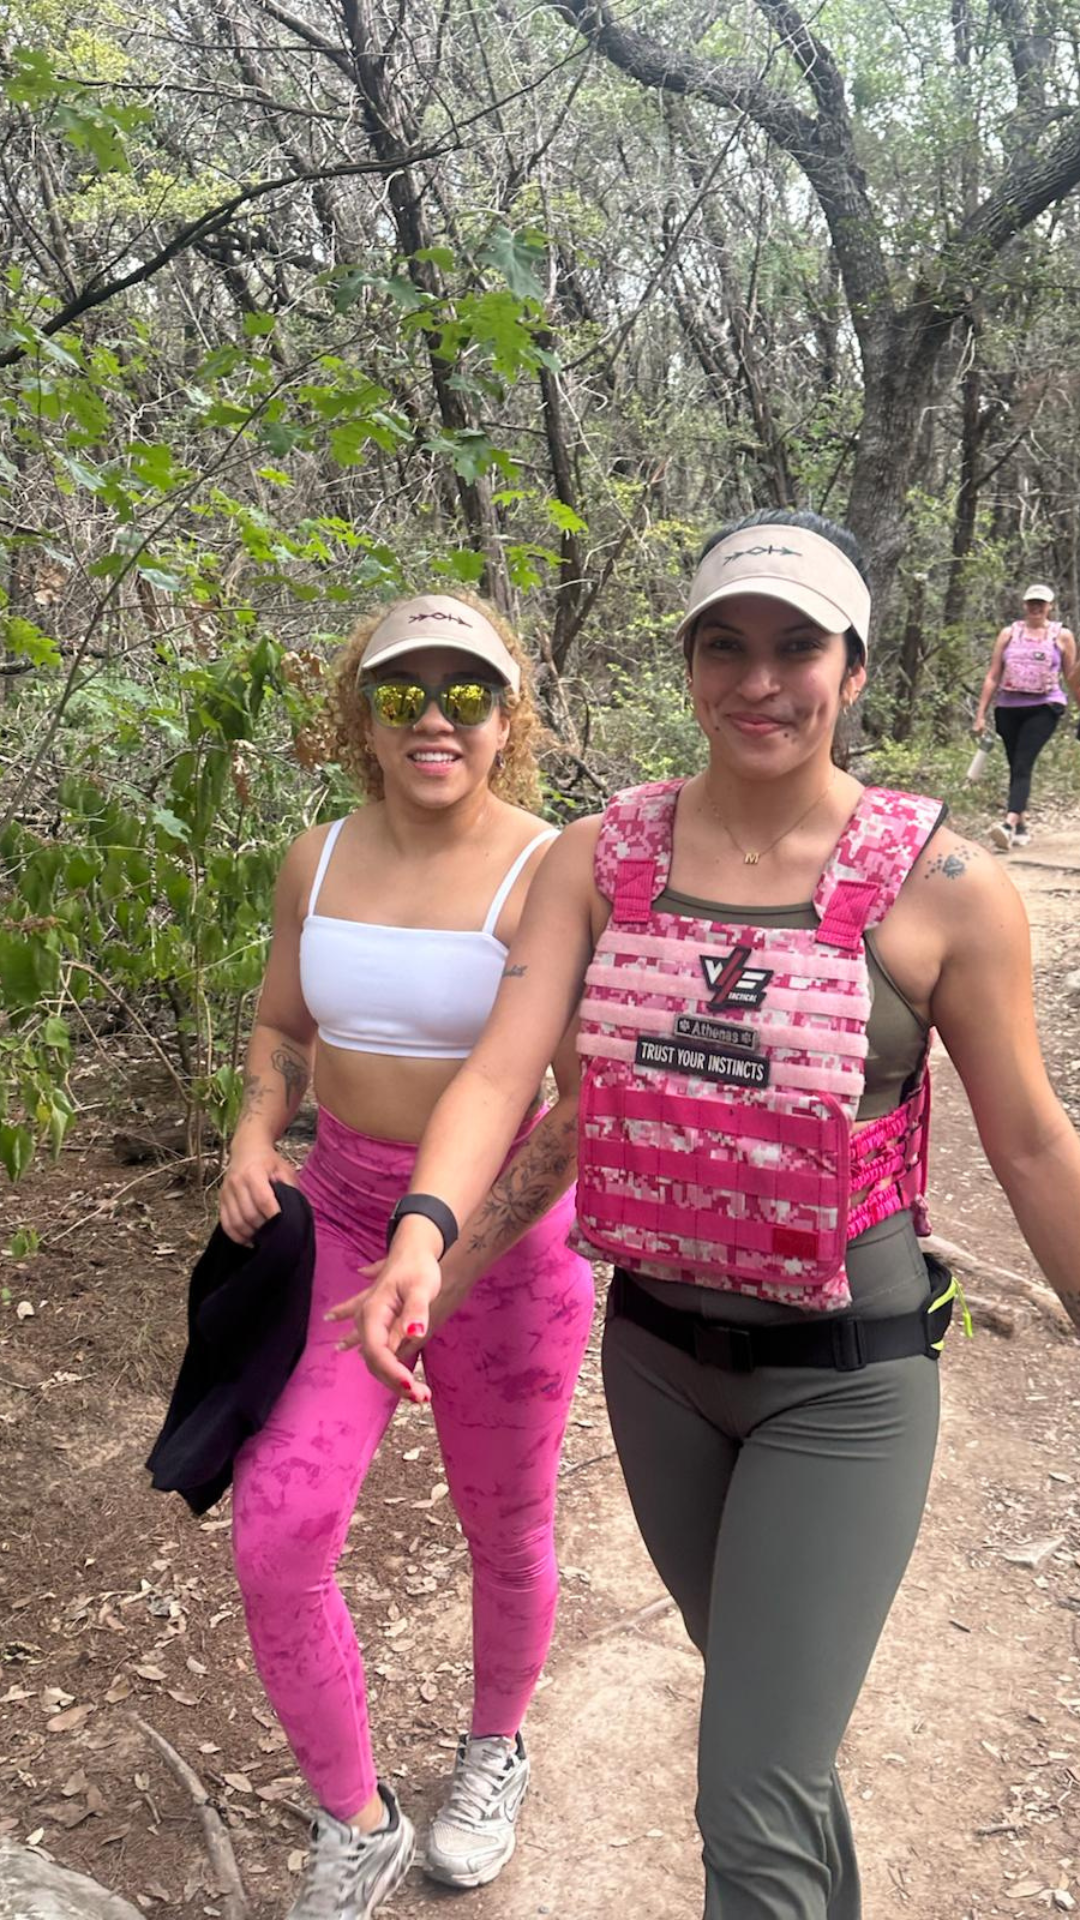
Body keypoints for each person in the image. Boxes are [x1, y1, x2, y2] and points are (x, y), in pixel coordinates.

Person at [347, 512, 1080, 1920]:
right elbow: (506, 1071)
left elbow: (1036, 1144)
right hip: (659, 1364)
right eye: (725, 646)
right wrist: (425, 1238)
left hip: (847, 1379)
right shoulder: (600, 858)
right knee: (772, 1749)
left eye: (798, 647)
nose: (759, 680)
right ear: (686, 666)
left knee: (747, 1794)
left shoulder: (944, 887)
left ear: (853, 670)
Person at [219, 590, 594, 1919]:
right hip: (338, 1218)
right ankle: (356, 1818)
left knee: (507, 1522)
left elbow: (576, 1103)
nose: (435, 718)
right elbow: (282, 1025)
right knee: (278, 1530)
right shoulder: (314, 859)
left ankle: (494, 1748)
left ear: (509, 719)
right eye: (401, 693)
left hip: (505, 1240)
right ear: (361, 718)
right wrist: (252, 1135)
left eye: (467, 692)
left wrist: (452, 1254)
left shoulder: (553, 868)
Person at [973, 582, 1077, 850]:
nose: (1036, 608)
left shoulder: (1062, 636)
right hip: (1008, 707)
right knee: (1016, 764)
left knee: (1022, 763)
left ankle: (1007, 824)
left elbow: (1071, 676)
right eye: (1032, 603)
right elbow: (993, 675)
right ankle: (1021, 827)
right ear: (1024, 605)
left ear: (1050, 606)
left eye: (1041, 603)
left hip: (1045, 706)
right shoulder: (1009, 634)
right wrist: (980, 714)